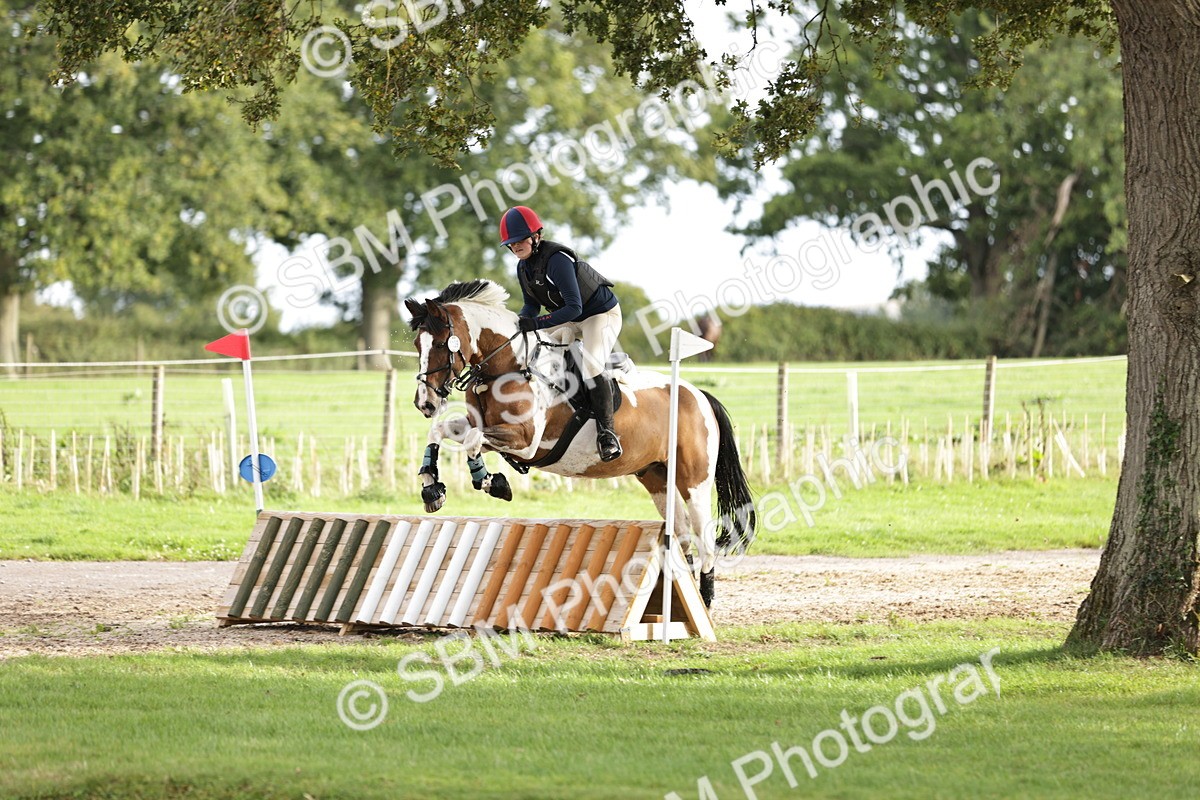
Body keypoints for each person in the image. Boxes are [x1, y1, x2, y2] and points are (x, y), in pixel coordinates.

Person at [499, 205, 624, 462]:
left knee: (591, 365)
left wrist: (536, 323)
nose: (516, 245)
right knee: (529, 344)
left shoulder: (557, 260)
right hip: (570, 318)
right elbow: (531, 306)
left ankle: (607, 434)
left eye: (521, 239)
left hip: (599, 315)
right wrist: (521, 321)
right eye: (512, 242)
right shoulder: (523, 268)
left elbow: (574, 306)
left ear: (536, 236)